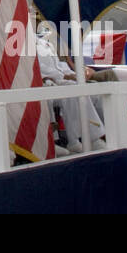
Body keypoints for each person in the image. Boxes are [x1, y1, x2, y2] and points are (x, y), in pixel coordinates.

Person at [34, 20, 105, 153]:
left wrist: (73, 74)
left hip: (58, 81)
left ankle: (108, 135)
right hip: (44, 83)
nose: (38, 22)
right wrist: (62, 77)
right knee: (71, 92)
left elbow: (59, 66)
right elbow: (38, 69)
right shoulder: (26, 42)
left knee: (96, 93)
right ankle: (74, 141)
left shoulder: (46, 42)